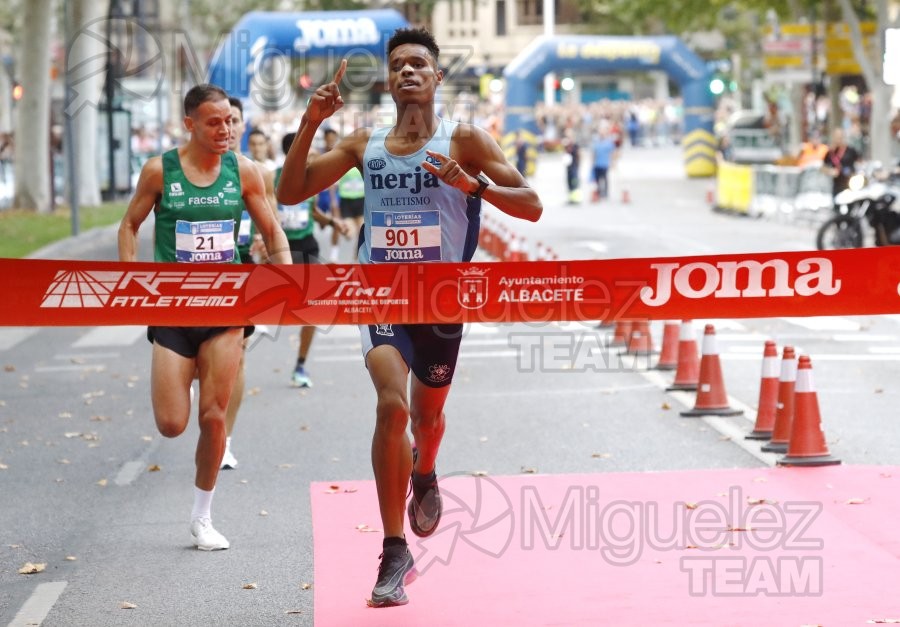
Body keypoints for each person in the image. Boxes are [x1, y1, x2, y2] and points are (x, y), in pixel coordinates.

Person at [277, 27, 542, 607]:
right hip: (380, 293)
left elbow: (533, 204)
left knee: (427, 419)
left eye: (419, 63)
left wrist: (473, 185)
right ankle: (395, 549)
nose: (407, 72)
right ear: (388, 79)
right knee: (392, 404)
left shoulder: (465, 138)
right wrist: (311, 122)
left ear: (437, 77)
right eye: (397, 65)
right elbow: (291, 190)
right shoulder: (361, 145)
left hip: (444, 302)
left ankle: (426, 472)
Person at [118, 84, 291, 550]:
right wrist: (130, 281)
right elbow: (130, 226)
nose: (226, 129)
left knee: (214, 416)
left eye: (231, 121)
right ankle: (183, 372)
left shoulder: (246, 171)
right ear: (190, 124)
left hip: (226, 308)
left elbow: (273, 233)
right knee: (172, 424)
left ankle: (202, 517)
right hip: (173, 310)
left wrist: (286, 281)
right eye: (214, 122)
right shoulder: (160, 171)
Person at [275, 131, 350, 386]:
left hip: (307, 246)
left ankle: (300, 366)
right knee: (255, 309)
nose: (311, 158)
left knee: (314, 307)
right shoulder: (272, 179)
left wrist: (333, 222)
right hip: (279, 249)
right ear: (291, 154)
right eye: (305, 153)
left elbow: (312, 210)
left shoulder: (312, 180)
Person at [315, 128, 344, 262]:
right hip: (320, 193)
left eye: (333, 138)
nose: (331, 141)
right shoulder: (318, 154)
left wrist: (333, 199)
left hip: (334, 193)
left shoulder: (340, 154)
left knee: (336, 221)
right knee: (321, 225)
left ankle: (334, 254)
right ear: (325, 138)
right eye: (329, 138)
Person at [822, 127, 860, 200]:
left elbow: (860, 162)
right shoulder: (830, 152)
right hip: (837, 185)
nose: (839, 139)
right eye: (837, 137)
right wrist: (830, 171)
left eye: (841, 137)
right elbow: (823, 168)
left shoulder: (851, 150)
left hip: (851, 184)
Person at [590, 126, 619, 202]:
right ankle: (599, 192)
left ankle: (605, 193)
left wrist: (613, 163)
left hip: (605, 163)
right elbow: (593, 153)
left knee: (605, 178)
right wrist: (592, 162)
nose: (601, 134)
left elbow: (613, 153)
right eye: (600, 133)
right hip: (597, 163)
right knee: (597, 179)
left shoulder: (609, 142)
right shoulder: (596, 142)